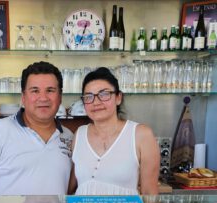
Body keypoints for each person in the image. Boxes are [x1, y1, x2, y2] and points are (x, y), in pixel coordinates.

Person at [0, 61, 73, 195]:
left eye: (50, 90)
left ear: (60, 97)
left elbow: (69, 188)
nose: (43, 98)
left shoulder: (69, 137)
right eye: (35, 91)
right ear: (23, 97)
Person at [68, 67, 160, 195]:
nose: (96, 102)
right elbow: (71, 186)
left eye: (104, 94)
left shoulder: (141, 134)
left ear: (118, 98)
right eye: (88, 97)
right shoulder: (80, 134)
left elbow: (150, 193)